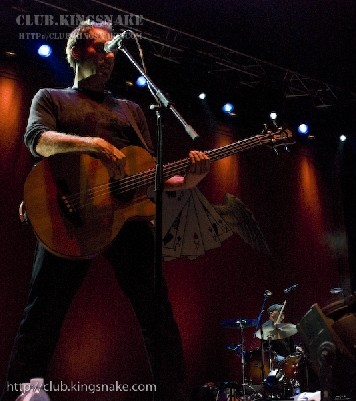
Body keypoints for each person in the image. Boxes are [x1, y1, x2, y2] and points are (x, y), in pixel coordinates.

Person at [1, 20, 210, 401]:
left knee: (156, 311)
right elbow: (37, 141)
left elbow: (147, 173)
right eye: (102, 47)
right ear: (79, 51)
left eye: (114, 50)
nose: (111, 56)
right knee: (42, 314)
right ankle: (21, 394)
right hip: (69, 214)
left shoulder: (131, 109)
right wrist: (92, 144)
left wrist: (188, 181)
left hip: (124, 218)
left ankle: (174, 393)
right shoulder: (51, 97)